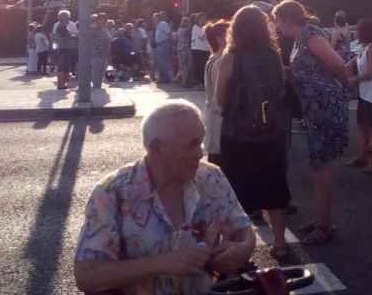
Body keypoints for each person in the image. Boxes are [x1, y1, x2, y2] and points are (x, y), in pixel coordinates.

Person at [73, 102, 255, 295]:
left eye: (201, 141)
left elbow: (243, 229)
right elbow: (86, 275)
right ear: (157, 148)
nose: (201, 152)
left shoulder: (211, 178)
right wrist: (160, 263)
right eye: (192, 145)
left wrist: (242, 249)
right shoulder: (111, 193)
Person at [215, 5, 291, 260]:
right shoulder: (273, 54)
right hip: (271, 131)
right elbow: (281, 86)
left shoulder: (231, 56)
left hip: (238, 132)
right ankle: (280, 243)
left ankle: (237, 252)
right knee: (274, 184)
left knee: (237, 189)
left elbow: (220, 97)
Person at [273, 0, 349, 246]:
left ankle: (325, 224)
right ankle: (321, 218)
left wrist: (331, 89)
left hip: (323, 105)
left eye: (277, 22)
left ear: (285, 19)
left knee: (320, 163)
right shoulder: (299, 38)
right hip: (314, 106)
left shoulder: (309, 34)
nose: (276, 28)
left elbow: (337, 63)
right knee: (318, 163)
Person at [345, 19, 372, 174]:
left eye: (358, 30)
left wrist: (353, 80)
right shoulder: (364, 48)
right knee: (362, 127)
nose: (356, 32)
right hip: (365, 95)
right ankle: (362, 157)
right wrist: (349, 65)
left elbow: (370, 73)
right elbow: (354, 61)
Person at [202, 20, 229, 165]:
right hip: (219, 120)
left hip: (215, 117)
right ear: (220, 37)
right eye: (229, 33)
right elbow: (219, 96)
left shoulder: (214, 58)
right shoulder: (220, 62)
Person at [52, 9, 78, 89]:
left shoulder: (60, 25)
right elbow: (68, 35)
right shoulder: (61, 26)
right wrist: (77, 36)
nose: (68, 18)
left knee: (65, 66)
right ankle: (61, 84)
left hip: (64, 47)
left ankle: (63, 83)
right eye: (67, 17)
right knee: (62, 67)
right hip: (64, 48)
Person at [88, 14, 111, 89]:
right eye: (101, 19)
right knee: (96, 72)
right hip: (96, 54)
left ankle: (98, 87)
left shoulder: (105, 29)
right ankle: (96, 87)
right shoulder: (93, 29)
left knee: (101, 72)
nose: (103, 21)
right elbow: (90, 41)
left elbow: (108, 41)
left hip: (104, 54)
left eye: (104, 19)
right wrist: (97, 48)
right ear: (97, 20)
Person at [154, 12, 174, 85]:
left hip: (164, 44)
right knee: (160, 62)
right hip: (159, 45)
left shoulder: (163, 24)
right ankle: (162, 78)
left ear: (158, 18)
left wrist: (171, 44)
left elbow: (169, 33)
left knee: (163, 62)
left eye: (154, 18)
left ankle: (166, 78)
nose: (153, 20)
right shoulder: (158, 25)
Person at [191, 13, 210, 88]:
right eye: (201, 19)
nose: (203, 21)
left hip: (205, 49)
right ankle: (199, 84)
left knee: (204, 67)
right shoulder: (195, 27)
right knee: (199, 67)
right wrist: (207, 29)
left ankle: (204, 83)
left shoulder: (203, 27)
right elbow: (201, 37)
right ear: (198, 20)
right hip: (198, 50)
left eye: (204, 19)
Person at [176, 16, 193, 87]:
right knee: (185, 66)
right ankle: (184, 81)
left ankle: (181, 80)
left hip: (181, 49)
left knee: (183, 66)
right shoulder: (185, 30)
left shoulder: (179, 30)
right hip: (185, 49)